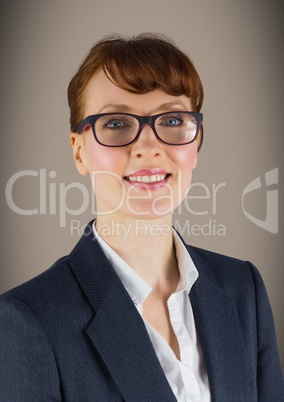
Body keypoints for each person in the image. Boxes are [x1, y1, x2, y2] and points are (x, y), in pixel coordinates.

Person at [0, 33, 283, 402]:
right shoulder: (26, 320)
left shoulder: (243, 290)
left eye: (171, 120)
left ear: (195, 144)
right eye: (116, 123)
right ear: (79, 152)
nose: (148, 148)